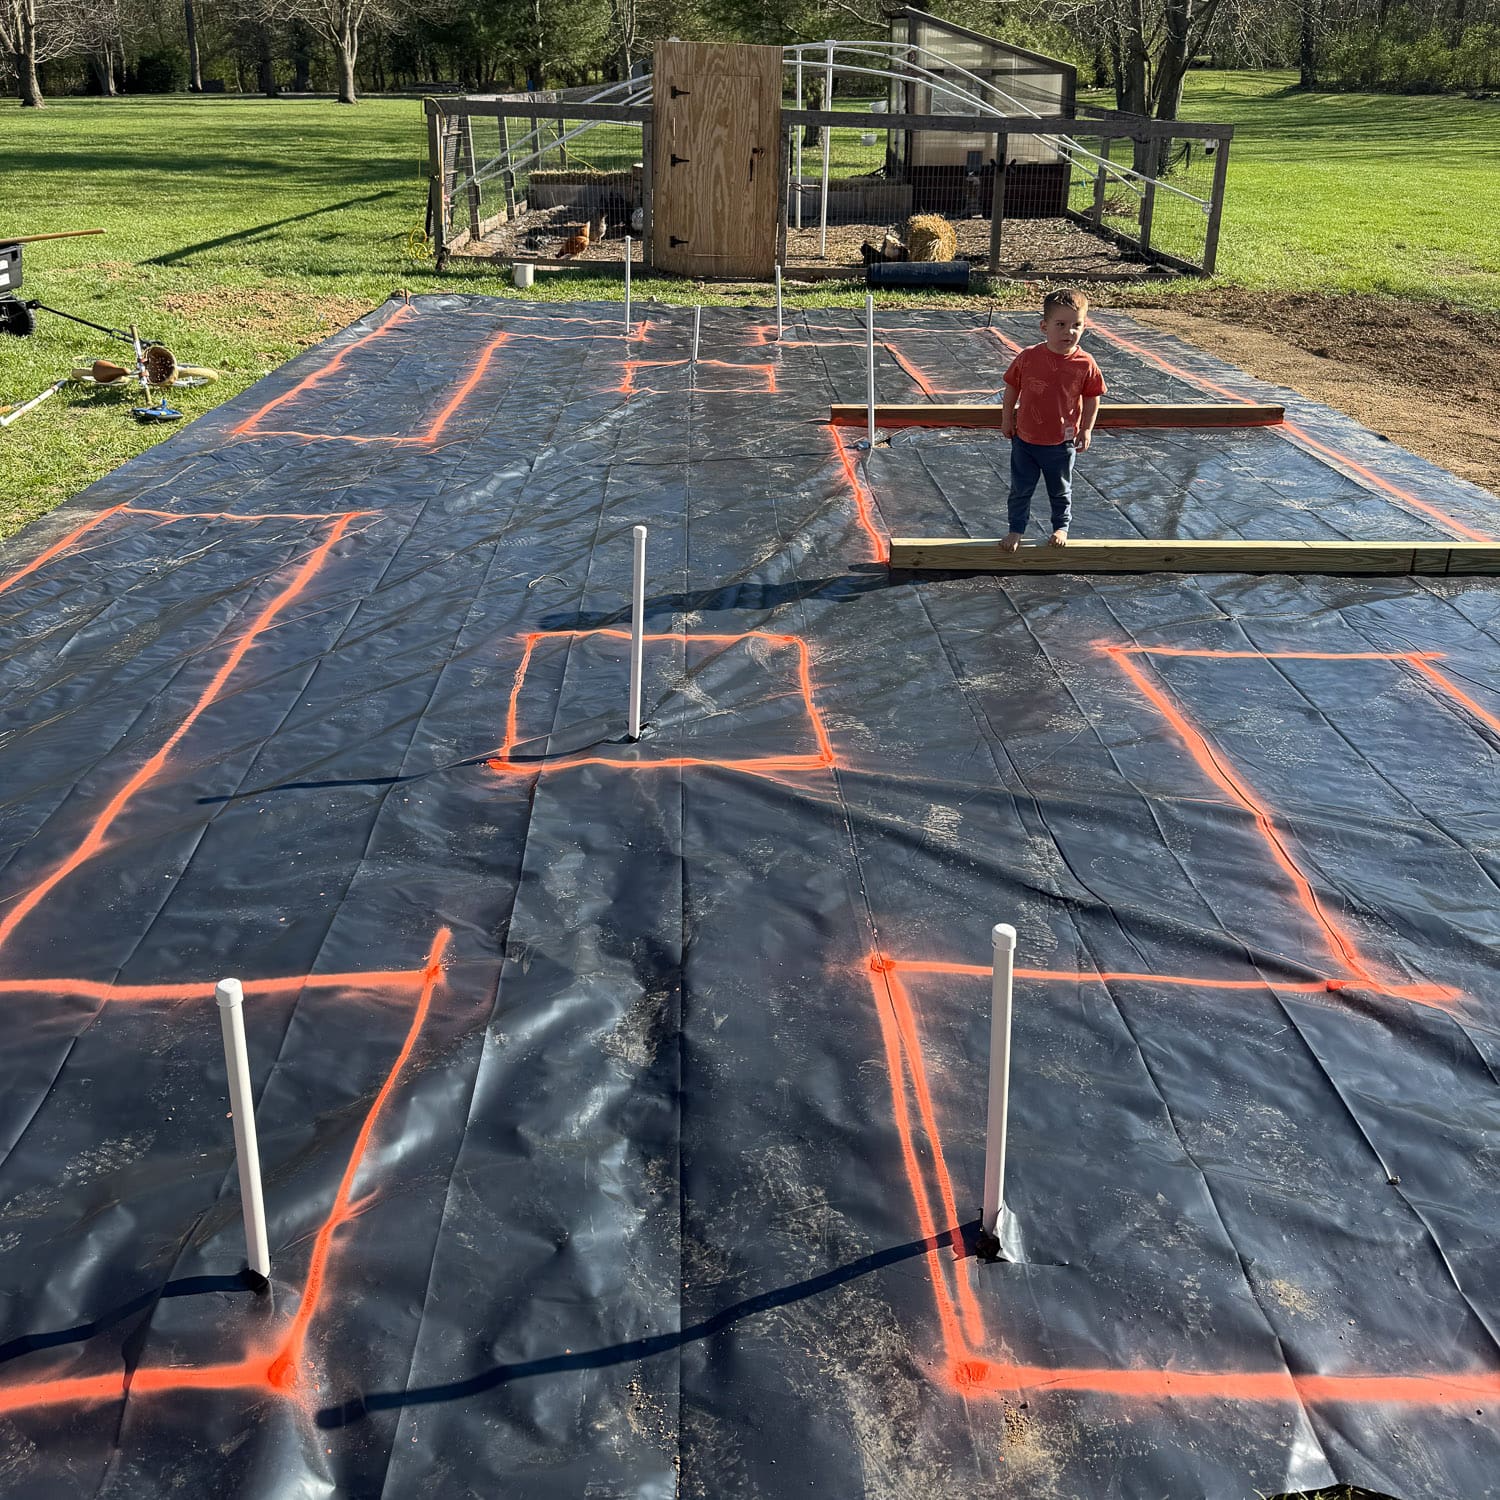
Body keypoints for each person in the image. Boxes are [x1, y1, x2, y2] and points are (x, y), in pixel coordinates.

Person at [998, 289, 1107, 551]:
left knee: (1060, 490)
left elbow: (1093, 396)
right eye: (1061, 325)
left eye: (1076, 325)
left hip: (1061, 443)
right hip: (1025, 440)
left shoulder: (1084, 363)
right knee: (1020, 490)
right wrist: (1006, 418)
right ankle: (1016, 530)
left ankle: (1061, 526)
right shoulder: (1028, 357)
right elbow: (1012, 387)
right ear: (1044, 326)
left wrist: (1087, 429)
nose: (1069, 332)